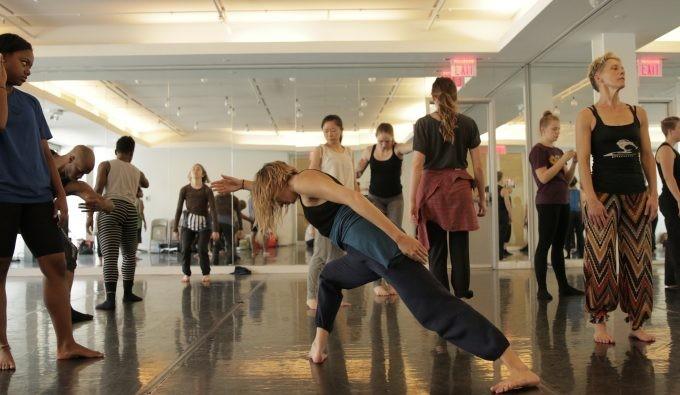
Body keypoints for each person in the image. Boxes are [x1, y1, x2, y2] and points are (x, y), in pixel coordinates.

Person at [211, 163, 540, 393]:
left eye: (268, 195)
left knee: (434, 310)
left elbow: (355, 199)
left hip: (375, 245)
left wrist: (399, 238)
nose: (274, 203)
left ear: (277, 183)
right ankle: (319, 346)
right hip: (360, 250)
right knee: (329, 277)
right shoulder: (296, 183)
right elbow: (274, 189)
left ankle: (515, 365)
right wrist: (242, 184)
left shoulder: (301, 182)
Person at [0, 33, 102, 369]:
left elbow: (45, 154)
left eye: (31, 64)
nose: (28, 70)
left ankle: (65, 343)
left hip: (36, 198)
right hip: (2, 198)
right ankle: (2, 346)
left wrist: (60, 195)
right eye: (23, 62)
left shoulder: (30, 104)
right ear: (3, 59)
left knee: (57, 266)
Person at [576, 52, 657, 343]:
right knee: (600, 259)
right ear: (599, 77)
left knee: (639, 259)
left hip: (636, 192)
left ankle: (636, 323)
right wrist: (591, 198)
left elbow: (647, 156)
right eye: (615, 68)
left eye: (623, 68)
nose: (622, 72)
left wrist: (653, 194)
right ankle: (599, 322)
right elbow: (584, 161)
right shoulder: (587, 115)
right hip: (603, 194)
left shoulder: (638, 113)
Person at [410, 77, 485, 299]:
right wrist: (481, 197)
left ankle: (441, 294)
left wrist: (414, 201)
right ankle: (462, 290)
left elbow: (416, 165)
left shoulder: (423, 124)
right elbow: (478, 167)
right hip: (459, 190)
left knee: (437, 248)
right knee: (460, 245)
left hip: (432, 191)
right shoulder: (469, 123)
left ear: (434, 97)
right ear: (455, 96)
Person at [51, 145, 115, 323]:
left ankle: (66, 310)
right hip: (14, 205)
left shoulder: (72, 183)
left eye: (84, 173)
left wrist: (101, 205)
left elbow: (108, 204)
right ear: (70, 159)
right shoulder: (42, 157)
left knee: (70, 253)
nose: (80, 176)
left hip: (39, 216)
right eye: (80, 171)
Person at [529, 110, 583, 301]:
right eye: (554, 129)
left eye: (559, 129)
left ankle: (563, 286)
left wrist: (573, 163)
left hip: (563, 201)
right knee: (545, 244)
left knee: (559, 246)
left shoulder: (558, 151)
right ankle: (542, 288)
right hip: (547, 202)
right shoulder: (538, 151)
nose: (557, 132)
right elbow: (543, 177)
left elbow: (566, 180)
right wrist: (562, 160)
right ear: (543, 129)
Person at [356, 122, 413, 296]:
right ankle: (377, 284)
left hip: (395, 199)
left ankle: (393, 281)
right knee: (378, 237)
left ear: (393, 139)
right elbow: (357, 171)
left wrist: (422, 129)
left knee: (395, 238)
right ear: (376, 139)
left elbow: (413, 146)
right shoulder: (369, 151)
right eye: (381, 141)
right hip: (375, 199)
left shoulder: (397, 149)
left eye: (387, 141)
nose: (383, 144)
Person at [93, 135, 149, 310]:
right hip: (131, 212)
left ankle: (110, 299)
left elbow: (97, 191)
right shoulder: (136, 171)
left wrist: (90, 216)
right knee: (129, 256)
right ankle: (127, 294)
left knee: (110, 255)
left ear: (116, 151)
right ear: (131, 153)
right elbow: (146, 183)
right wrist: (136, 173)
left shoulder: (106, 165)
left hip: (111, 208)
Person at [306, 115, 356, 310]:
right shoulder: (320, 150)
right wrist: (313, 213)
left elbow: (352, 182)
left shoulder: (348, 152)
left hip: (346, 206)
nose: (330, 134)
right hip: (326, 208)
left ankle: (334, 296)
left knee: (336, 256)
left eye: (333, 130)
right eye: (326, 131)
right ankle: (311, 295)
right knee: (320, 254)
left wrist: (357, 204)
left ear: (341, 130)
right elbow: (311, 177)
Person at [174, 164, 219, 283]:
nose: (195, 169)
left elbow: (213, 210)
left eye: (198, 168)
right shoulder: (184, 189)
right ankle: (186, 274)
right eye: (193, 168)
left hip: (204, 224)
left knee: (202, 249)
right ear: (190, 174)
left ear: (202, 174)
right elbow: (178, 209)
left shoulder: (207, 190)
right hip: (188, 223)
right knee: (185, 248)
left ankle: (206, 273)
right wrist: (175, 229)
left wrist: (216, 229)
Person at [656, 116, 680, 289]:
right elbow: (669, 178)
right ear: (671, 130)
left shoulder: (672, 149)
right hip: (671, 199)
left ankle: (671, 280)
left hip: (674, 198)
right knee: (677, 238)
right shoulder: (665, 150)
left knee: (674, 237)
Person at [565, 178, 584, 259]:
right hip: (578, 213)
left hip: (570, 214)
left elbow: (566, 203)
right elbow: (581, 205)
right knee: (580, 235)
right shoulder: (579, 192)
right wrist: (582, 216)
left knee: (568, 234)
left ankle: (568, 254)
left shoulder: (567, 191)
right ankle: (582, 254)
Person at [498, 172, 513, 260]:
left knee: (498, 236)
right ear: (501, 178)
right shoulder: (503, 190)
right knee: (502, 236)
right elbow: (508, 205)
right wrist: (511, 216)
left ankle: (498, 255)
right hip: (503, 216)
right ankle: (500, 256)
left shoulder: (491, 188)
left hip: (496, 215)